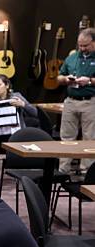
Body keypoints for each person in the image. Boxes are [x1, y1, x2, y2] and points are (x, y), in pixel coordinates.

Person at [57, 27, 95, 174]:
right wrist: (66, 79)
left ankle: (87, 172)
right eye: (80, 45)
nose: (82, 48)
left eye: (85, 45)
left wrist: (90, 81)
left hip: (90, 102)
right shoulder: (72, 57)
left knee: (89, 139)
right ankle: (63, 171)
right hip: (71, 101)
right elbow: (59, 77)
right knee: (66, 137)